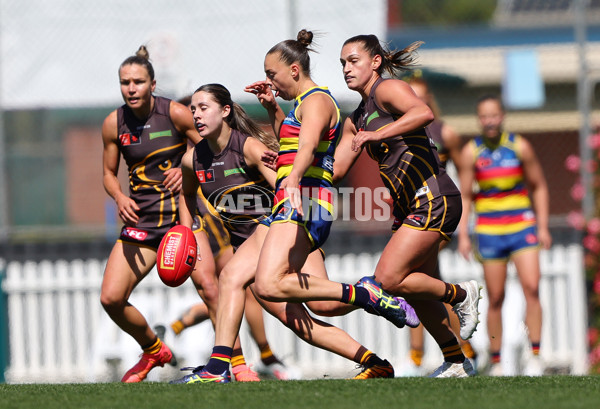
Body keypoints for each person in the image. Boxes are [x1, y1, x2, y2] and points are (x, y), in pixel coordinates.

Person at [171, 30, 415, 384]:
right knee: (236, 278)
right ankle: (218, 368)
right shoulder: (299, 106)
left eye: (273, 74)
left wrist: (293, 178)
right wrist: (274, 111)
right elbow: (291, 143)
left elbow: (307, 145)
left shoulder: (316, 101)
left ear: (295, 70)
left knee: (270, 287)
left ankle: (366, 293)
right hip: (297, 198)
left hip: (307, 198)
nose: (270, 80)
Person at [328, 34, 482, 378]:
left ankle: (461, 294)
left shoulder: (386, 90)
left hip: (435, 197)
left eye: (353, 61)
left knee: (388, 279)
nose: (346, 69)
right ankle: (456, 360)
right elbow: (336, 170)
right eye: (342, 63)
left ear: (376, 62)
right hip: (412, 207)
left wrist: (378, 135)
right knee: (416, 286)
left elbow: (423, 112)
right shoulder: (357, 116)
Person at [158, 96, 301, 380]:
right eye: (193, 112)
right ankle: (238, 363)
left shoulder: (234, 149)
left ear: (223, 113)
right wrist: (186, 231)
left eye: (202, 110)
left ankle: (255, 355)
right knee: (226, 289)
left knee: (295, 305)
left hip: (250, 236)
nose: (197, 117)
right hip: (217, 236)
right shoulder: (193, 160)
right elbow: (187, 188)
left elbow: (279, 182)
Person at [100, 45, 200, 383]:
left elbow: (210, 146)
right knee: (111, 298)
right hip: (141, 222)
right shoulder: (114, 123)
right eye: (125, 82)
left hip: (181, 221)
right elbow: (108, 174)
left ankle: (237, 364)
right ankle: (154, 349)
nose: (131, 88)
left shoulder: (174, 113)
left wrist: (187, 166)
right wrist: (118, 196)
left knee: (214, 292)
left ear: (152, 84)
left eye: (138, 82)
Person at [457, 94, 551, 376]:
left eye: (494, 115)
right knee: (495, 296)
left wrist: (543, 226)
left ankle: (534, 356)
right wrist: (463, 234)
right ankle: (497, 361)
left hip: (522, 227)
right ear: (479, 119)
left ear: (502, 116)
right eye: (484, 116)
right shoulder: (471, 152)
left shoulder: (519, 147)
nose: (489, 121)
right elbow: (465, 196)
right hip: (489, 230)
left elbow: (540, 186)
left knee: (532, 289)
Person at [401, 74, 478, 374]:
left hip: (437, 211)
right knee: (423, 283)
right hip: (412, 213)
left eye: (422, 98)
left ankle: (421, 357)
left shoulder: (445, 133)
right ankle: (462, 351)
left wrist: (466, 214)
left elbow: (466, 174)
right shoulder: (402, 132)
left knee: (413, 278)